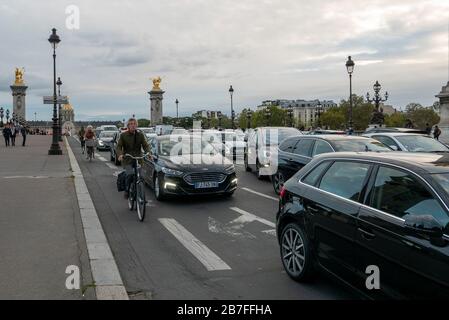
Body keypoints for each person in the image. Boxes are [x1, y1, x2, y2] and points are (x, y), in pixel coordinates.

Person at [117, 118, 151, 199]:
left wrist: (149, 153)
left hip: (139, 158)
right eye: (131, 124)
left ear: (136, 125)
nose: (133, 125)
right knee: (130, 174)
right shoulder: (123, 135)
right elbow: (119, 146)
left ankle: (140, 192)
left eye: (134, 124)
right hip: (128, 159)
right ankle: (127, 190)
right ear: (128, 126)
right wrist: (120, 155)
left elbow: (145, 145)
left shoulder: (140, 135)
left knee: (141, 176)